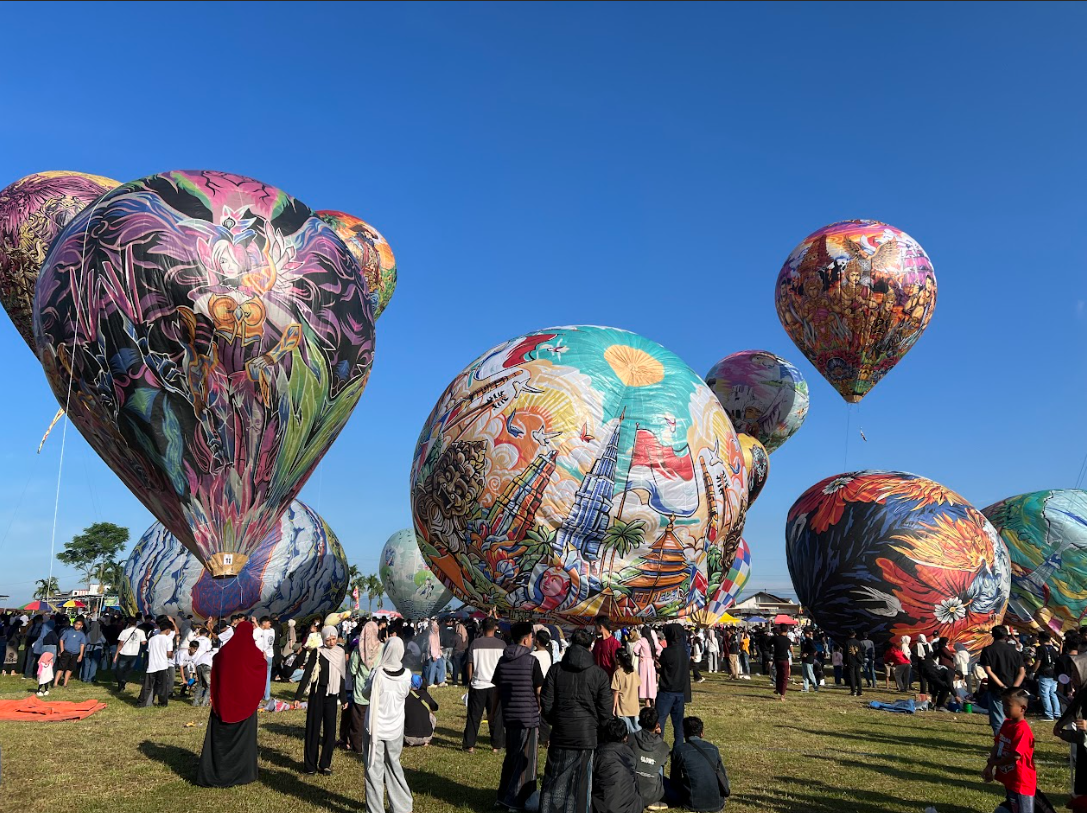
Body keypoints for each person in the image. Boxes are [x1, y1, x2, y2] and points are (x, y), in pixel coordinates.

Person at [540, 628, 612, 813]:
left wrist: (556, 720)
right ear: (590, 647)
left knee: (554, 778)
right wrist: (600, 728)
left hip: (563, 730)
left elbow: (546, 703)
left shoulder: (556, 670)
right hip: (585, 734)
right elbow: (605, 711)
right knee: (582, 783)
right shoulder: (599, 674)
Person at [197, 619, 265, 788]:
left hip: (224, 703)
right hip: (245, 704)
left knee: (220, 739)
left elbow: (217, 669)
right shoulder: (254, 653)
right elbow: (260, 669)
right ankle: (242, 773)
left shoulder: (225, 651)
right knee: (244, 741)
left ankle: (216, 771)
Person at [494, 621, 546, 809]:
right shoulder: (532, 661)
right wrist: (540, 709)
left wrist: (492, 714)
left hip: (509, 715)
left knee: (511, 756)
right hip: (528, 717)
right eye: (532, 637)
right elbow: (539, 691)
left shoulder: (503, 660)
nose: (533, 640)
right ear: (525, 640)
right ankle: (515, 800)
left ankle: (502, 795)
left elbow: (497, 690)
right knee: (525, 761)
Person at [363, 637, 413, 813]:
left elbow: (366, 692)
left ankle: (375, 810)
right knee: (394, 767)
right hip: (395, 728)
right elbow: (405, 693)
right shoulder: (407, 675)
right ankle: (402, 806)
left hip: (374, 728)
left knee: (373, 771)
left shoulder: (377, 673)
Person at [295, 626, 347, 775]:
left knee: (330, 731)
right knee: (313, 729)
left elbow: (342, 676)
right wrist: (298, 697)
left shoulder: (340, 653)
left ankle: (325, 764)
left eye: (334, 639)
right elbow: (307, 675)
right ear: (323, 639)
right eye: (328, 639)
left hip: (332, 695)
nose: (331, 642)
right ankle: (310, 766)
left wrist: (343, 698)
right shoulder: (318, 653)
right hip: (317, 693)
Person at [983, 688, 1036, 813]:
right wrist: (989, 766)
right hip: (1010, 778)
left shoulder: (1022, 730)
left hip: (1022, 782)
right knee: (1012, 807)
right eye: (1003, 704)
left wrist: (996, 763)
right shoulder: (1007, 723)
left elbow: (1015, 756)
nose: (1004, 708)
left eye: (1009, 705)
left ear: (1022, 708)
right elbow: (997, 744)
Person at [463, 616, 506, 753]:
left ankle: (470, 745)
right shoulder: (502, 645)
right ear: (495, 628)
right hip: (495, 686)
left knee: (474, 716)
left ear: (482, 628)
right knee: (495, 716)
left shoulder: (475, 643)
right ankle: (496, 745)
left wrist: (470, 680)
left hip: (478, 684)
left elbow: (470, 663)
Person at [671, 716, 730, 813]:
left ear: (684, 733)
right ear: (702, 733)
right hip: (717, 803)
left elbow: (674, 779)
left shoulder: (679, 750)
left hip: (692, 804)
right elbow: (722, 776)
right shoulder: (713, 749)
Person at [980, 626, 1026, 735]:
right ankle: (1010, 741)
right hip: (1013, 688)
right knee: (1011, 717)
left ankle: (1001, 744)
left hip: (996, 688)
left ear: (992, 635)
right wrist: (1014, 688)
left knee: (997, 718)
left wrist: (1002, 686)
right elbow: (1022, 672)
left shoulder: (988, 650)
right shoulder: (1014, 651)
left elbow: (989, 671)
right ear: (1006, 636)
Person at [592, 716, 643, 813]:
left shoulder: (598, 754)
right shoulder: (630, 754)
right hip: (633, 808)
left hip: (606, 808)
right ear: (625, 737)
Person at [657, 623, 692, 744]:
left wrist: (658, 667)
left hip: (667, 691)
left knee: (660, 720)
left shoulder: (668, 652)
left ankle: (657, 746)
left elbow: (662, 666)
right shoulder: (684, 651)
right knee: (678, 724)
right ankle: (678, 747)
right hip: (680, 692)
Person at [631, 707, 671, 811]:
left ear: (639, 722)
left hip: (631, 790)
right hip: (653, 795)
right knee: (659, 765)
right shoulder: (664, 747)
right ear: (657, 724)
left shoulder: (630, 739)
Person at [138, 619, 175, 707]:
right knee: (162, 686)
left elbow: (149, 651)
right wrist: (171, 655)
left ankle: (141, 702)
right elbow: (169, 653)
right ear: (167, 630)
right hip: (162, 665)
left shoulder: (152, 639)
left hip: (152, 664)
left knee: (147, 686)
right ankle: (162, 703)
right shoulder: (168, 640)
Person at [404, 674, 439, 746]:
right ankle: (425, 741)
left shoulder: (404, 696)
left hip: (408, 737)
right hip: (427, 736)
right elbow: (435, 707)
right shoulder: (425, 694)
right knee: (431, 716)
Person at [612, 647, 641, 733]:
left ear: (618, 659)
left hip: (622, 707)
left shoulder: (617, 673)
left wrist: (614, 706)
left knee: (624, 732)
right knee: (636, 731)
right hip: (634, 705)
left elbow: (615, 692)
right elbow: (638, 684)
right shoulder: (633, 671)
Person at [113, 616, 146, 691]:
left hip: (124, 652)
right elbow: (143, 642)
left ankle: (120, 682)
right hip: (134, 653)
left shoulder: (124, 632)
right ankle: (124, 680)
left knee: (120, 669)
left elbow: (120, 644)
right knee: (129, 669)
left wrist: (116, 655)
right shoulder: (141, 632)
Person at [1034, 630, 1060, 722]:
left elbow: (1038, 661)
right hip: (1054, 673)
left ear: (1040, 639)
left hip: (1045, 674)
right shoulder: (1053, 649)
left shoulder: (1041, 648)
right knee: (1053, 694)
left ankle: (1049, 714)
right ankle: (1057, 713)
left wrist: (1033, 671)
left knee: (1045, 694)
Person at [55, 617, 87, 688]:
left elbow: (82, 645)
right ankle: (55, 683)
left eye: (79, 624)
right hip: (66, 652)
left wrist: (81, 654)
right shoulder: (68, 631)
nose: (77, 626)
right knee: (61, 667)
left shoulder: (82, 635)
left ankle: (65, 683)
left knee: (70, 668)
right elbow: (61, 639)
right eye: (76, 624)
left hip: (75, 653)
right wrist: (62, 649)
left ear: (82, 626)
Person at [634, 626, 658, 707]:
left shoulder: (641, 640)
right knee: (652, 681)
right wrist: (656, 656)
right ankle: (653, 699)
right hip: (651, 662)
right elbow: (659, 648)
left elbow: (635, 650)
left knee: (644, 682)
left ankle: (647, 701)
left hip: (644, 662)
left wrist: (638, 655)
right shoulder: (652, 640)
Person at [255, 616, 276, 701]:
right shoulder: (272, 631)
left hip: (264, 655)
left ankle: (260, 694)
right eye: (269, 622)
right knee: (268, 676)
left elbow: (259, 631)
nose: (270, 624)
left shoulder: (263, 632)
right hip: (270, 654)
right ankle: (267, 695)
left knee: (260, 676)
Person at [772, 624, 792, 700]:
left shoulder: (775, 638)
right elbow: (789, 648)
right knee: (784, 677)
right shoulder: (788, 640)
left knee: (778, 674)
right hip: (784, 659)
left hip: (777, 658)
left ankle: (778, 689)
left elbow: (768, 644)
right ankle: (782, 694)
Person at [845, 630, 864, 697]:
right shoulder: (858, 642)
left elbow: (845, 653)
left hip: (850, 660)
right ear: (855, 634)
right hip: (858, 660)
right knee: (858, 675)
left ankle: (853, 691)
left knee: (852, 676)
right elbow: (862, 651)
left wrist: (845, 661)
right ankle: (860, 691)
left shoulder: (847, 642)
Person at [799, 628, 818, 693]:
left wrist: (807, 654)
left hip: (809, 659)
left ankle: (815, 687)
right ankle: (805, 688)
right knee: (805, 675)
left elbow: (814, 649)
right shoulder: (805, 640)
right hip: (804, 660)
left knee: (810, 674)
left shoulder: (809, 640)